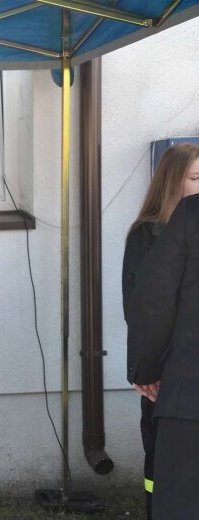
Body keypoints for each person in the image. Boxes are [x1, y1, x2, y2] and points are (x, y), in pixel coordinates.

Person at [122, 143, 199, 519]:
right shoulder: (148, 234)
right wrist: (148, 370)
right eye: (196, 178)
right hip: (166, 377)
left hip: (180, 379)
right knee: (162, 469)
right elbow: (143, 307)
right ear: (172, 182)